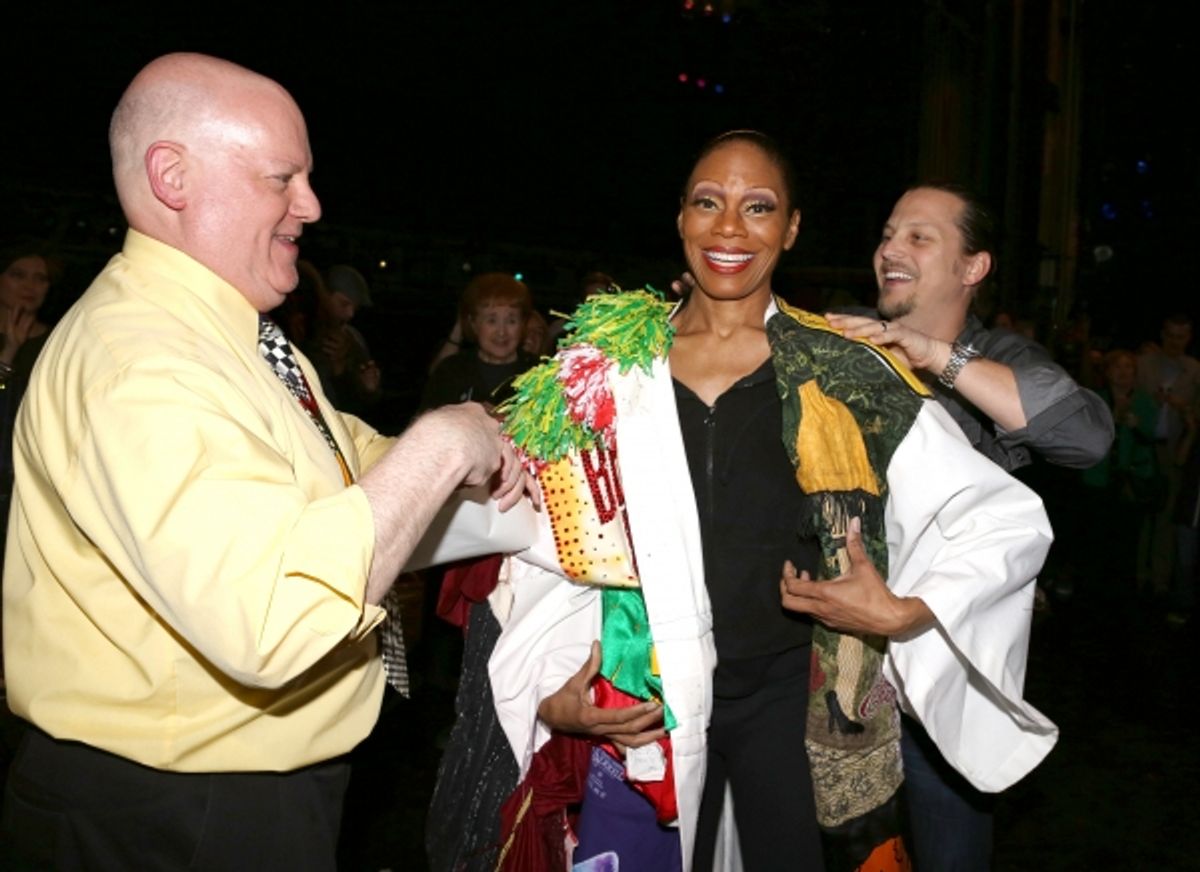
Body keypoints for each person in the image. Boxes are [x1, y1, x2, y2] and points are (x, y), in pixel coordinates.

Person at [0, 52, 532, 871]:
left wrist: (514, 489)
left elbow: (348, 468)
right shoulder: (142, 361)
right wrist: (439, 446)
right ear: (173, 176)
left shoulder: (233, 336)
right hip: (170, 817)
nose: (310, 205)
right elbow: (270, 620)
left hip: (229, 796)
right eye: (282, 178)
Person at [483, 132, 1056, 872]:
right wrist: (548, 686)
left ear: (789, 229)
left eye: (758, 207)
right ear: (681, 219)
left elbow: (998, 516)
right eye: (707, 203)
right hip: (643, 699)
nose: (729, 228)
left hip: (789, 703)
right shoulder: (604, 371)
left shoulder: (845, 370)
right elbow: (544, 546)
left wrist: (906, 611)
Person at [822, 182, 1114, 872]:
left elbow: (1087, 437)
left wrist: (931, 353)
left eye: (920, 238)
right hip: (828, 663)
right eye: (889, 233)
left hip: (941, 667)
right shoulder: (839, 336)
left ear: (972, 267)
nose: (891, 248)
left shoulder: (1002, 358)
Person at [1136, 313, 1200, 592]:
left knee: (1165, 518)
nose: (1175, 342)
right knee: (1140, 514)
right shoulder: (1144, 364)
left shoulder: (1194, 370)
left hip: (1174, 452)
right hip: (1143, 449)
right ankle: (1137, 575)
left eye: (1181, 336)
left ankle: (1160, 580)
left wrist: (1182, 408)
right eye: (1171, 335)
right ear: (1163, 335)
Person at [420, 271, 539, 412]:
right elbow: (424, 422)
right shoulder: (451, 370)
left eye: (511, 321)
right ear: (473, 323)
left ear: (523, 324)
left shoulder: (538, 373)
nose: (501, 332)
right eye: (491, 321)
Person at [302, 262, 383, 420]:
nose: (351, 314)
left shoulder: (354, 339)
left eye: (355, 307)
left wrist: (369, 389)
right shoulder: (300, 332)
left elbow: (355, 406)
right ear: (324, 295)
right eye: (344, 304)